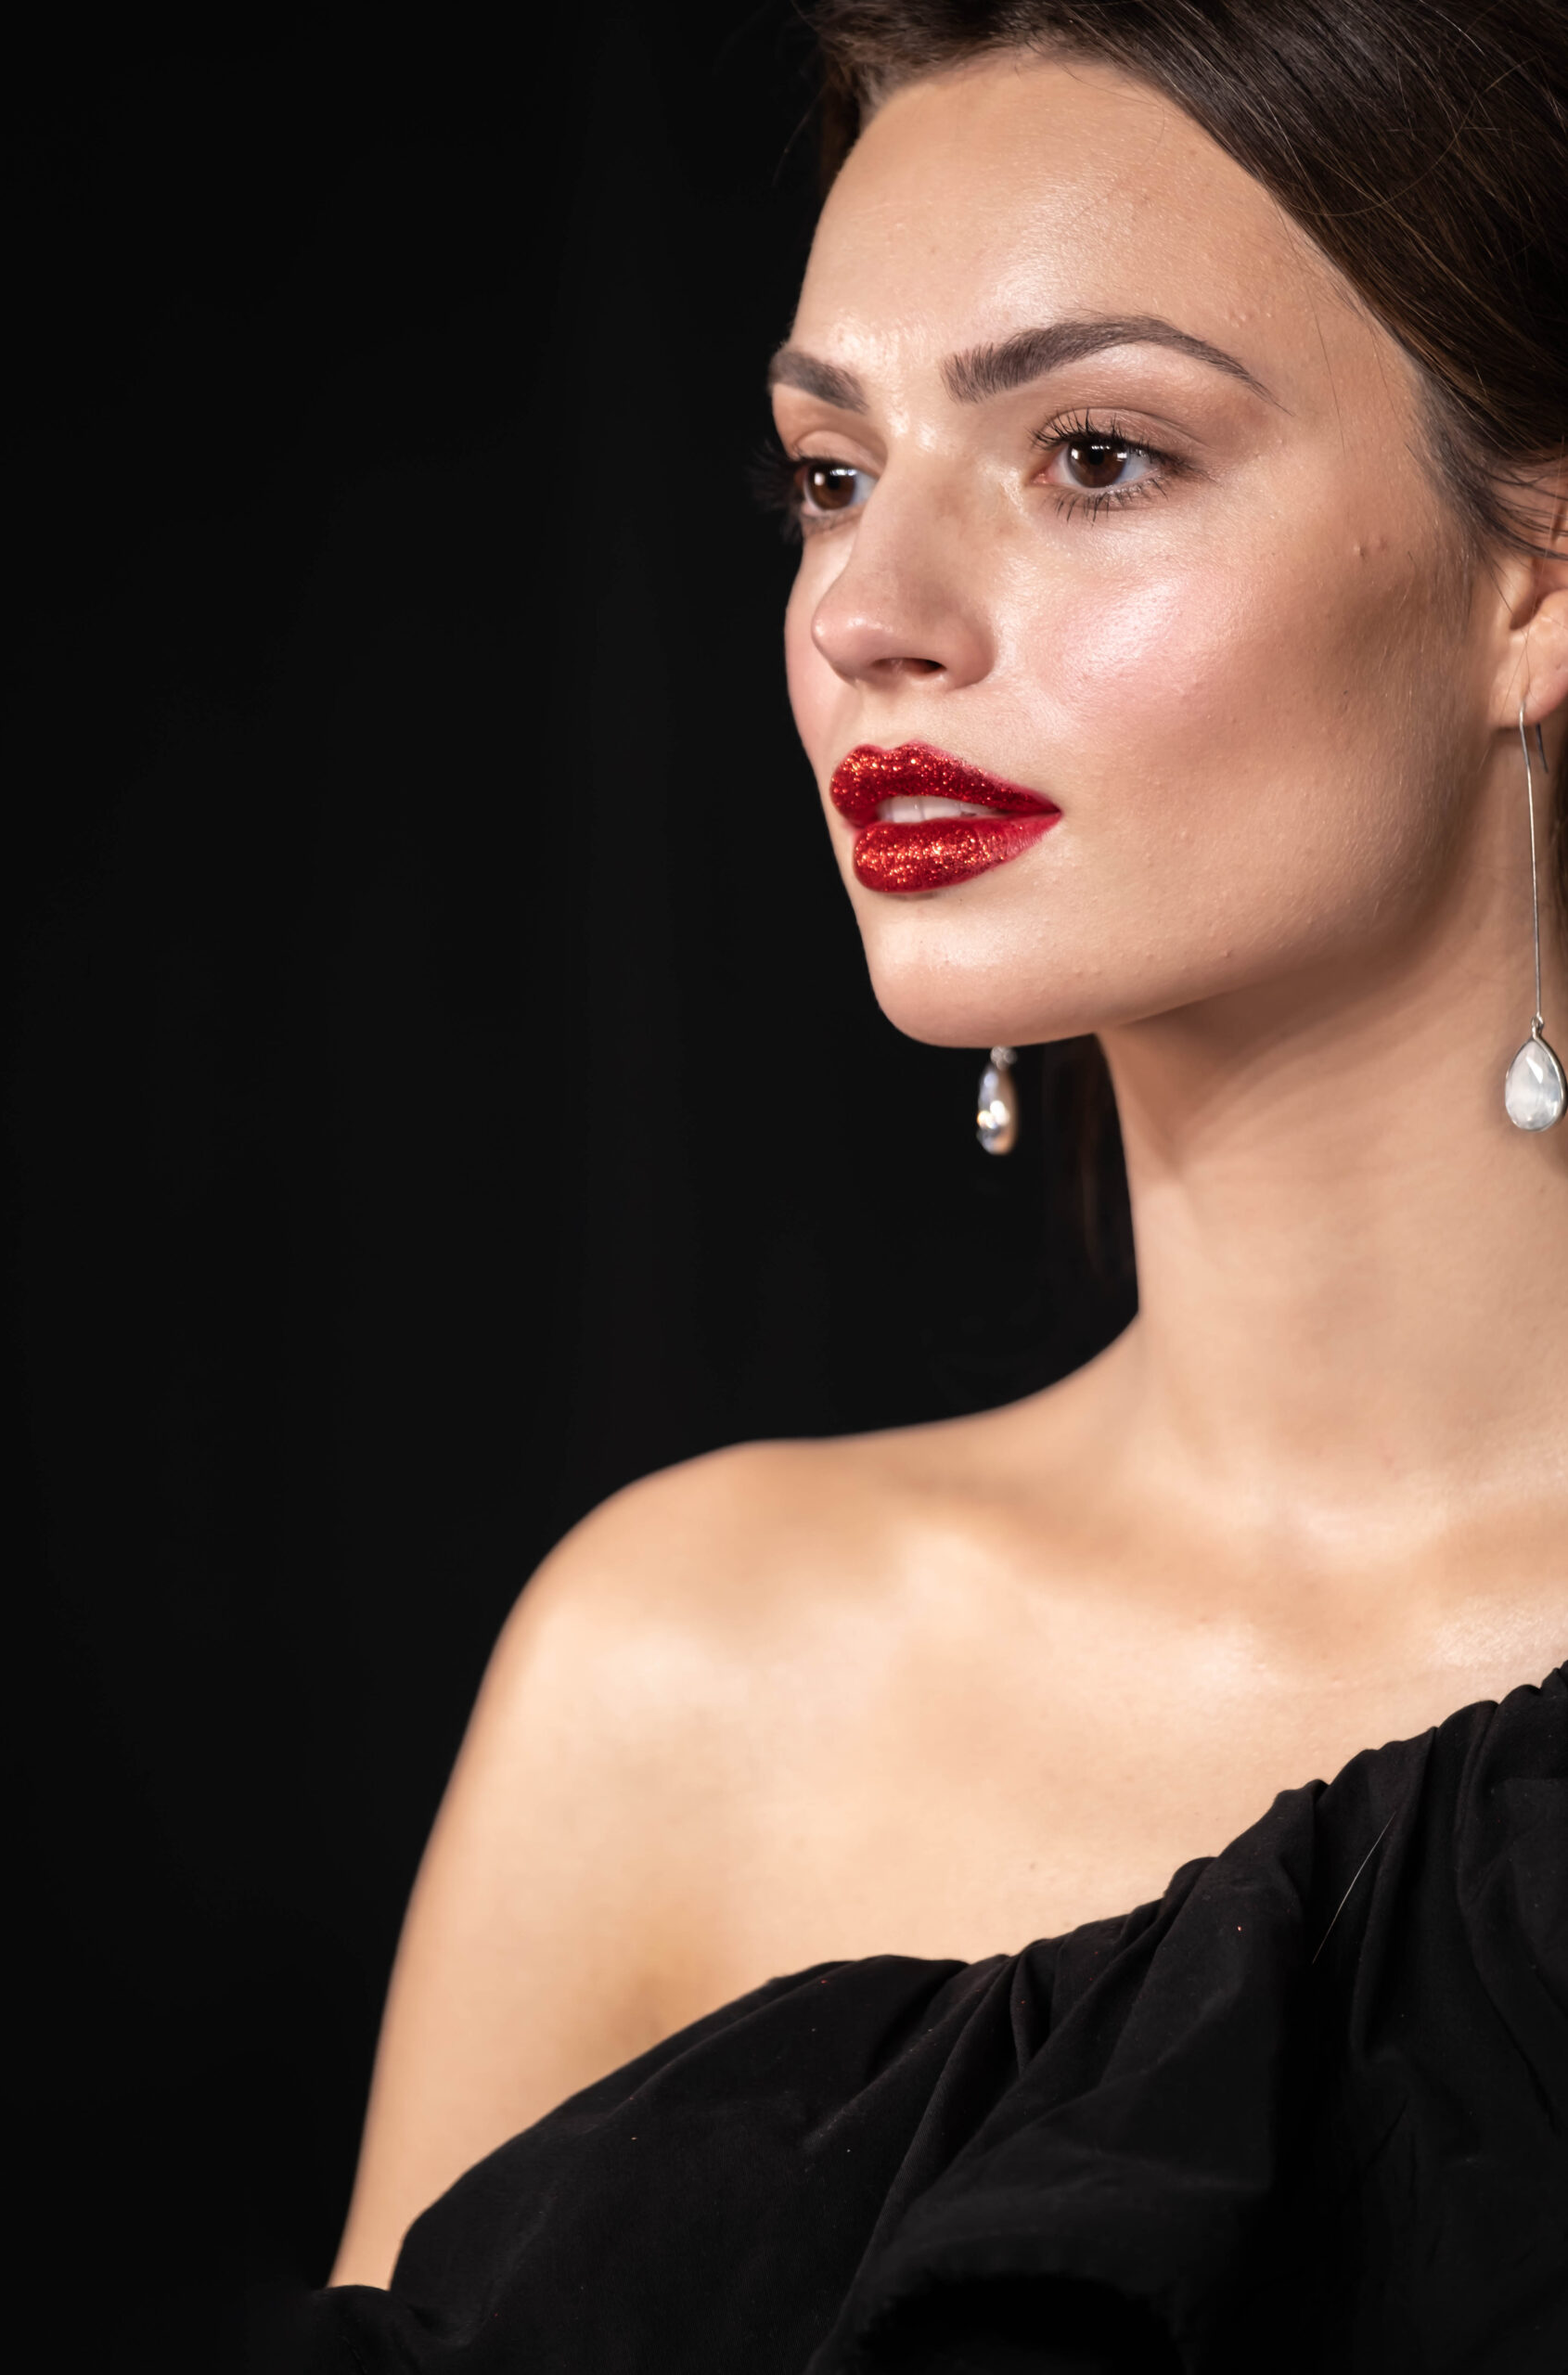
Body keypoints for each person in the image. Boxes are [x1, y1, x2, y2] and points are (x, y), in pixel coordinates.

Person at [299, 4, 1568, 2366]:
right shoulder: (675, 1669)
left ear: (1532, 577)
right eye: (826, 472)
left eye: (1091, 455)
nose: (861, 611)